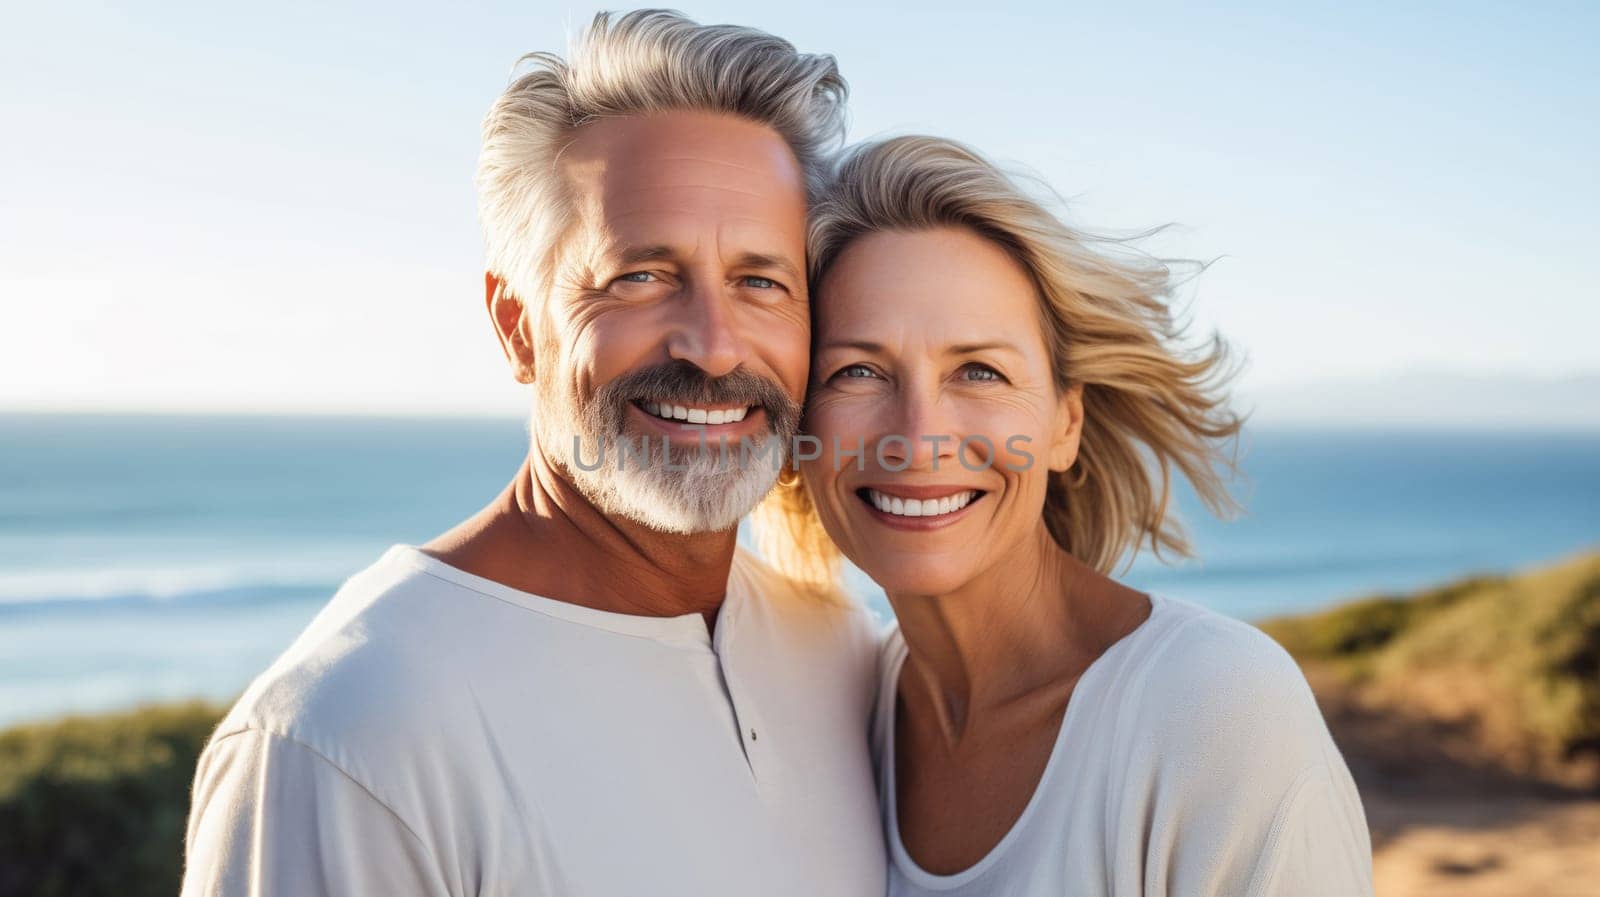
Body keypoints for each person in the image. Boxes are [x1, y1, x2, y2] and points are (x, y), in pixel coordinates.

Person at [180, 11, 885, 897]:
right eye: (640, 276)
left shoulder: (838, 647)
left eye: (761, 282)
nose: (714, 345)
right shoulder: (343, 737)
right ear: (517, 326)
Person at [757, 136, 1374, 896]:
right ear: (800, 431)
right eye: (857, 371)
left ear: (1064, 423)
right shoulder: (849, 708)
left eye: (979, 370)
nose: (917, 436)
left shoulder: (1215, 707)